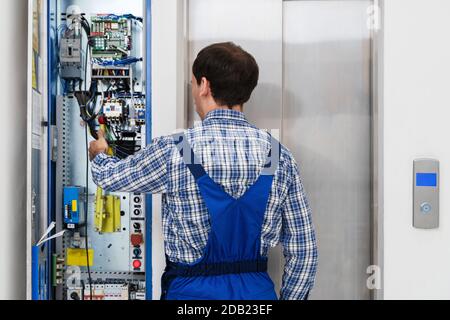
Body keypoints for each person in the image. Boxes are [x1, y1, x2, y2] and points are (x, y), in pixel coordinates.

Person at [89, 42, 318, 300]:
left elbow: (110, 177)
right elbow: (304, 251)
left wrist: (99, 154)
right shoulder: (279, 157)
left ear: (205, 85)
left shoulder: (176, 150)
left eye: (194, 84)